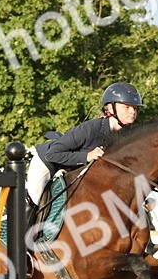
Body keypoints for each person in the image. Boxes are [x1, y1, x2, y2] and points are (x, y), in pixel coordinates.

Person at [25, 82, 142, 226]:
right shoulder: (90, 128)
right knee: (35, 199)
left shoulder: (127, 135)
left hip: (73, 171)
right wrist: (86, 156)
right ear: (111, 108)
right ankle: (23, 242)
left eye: (135, 108)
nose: (132, 112)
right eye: (127, 107)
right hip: (48, 162)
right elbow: (52, 154)